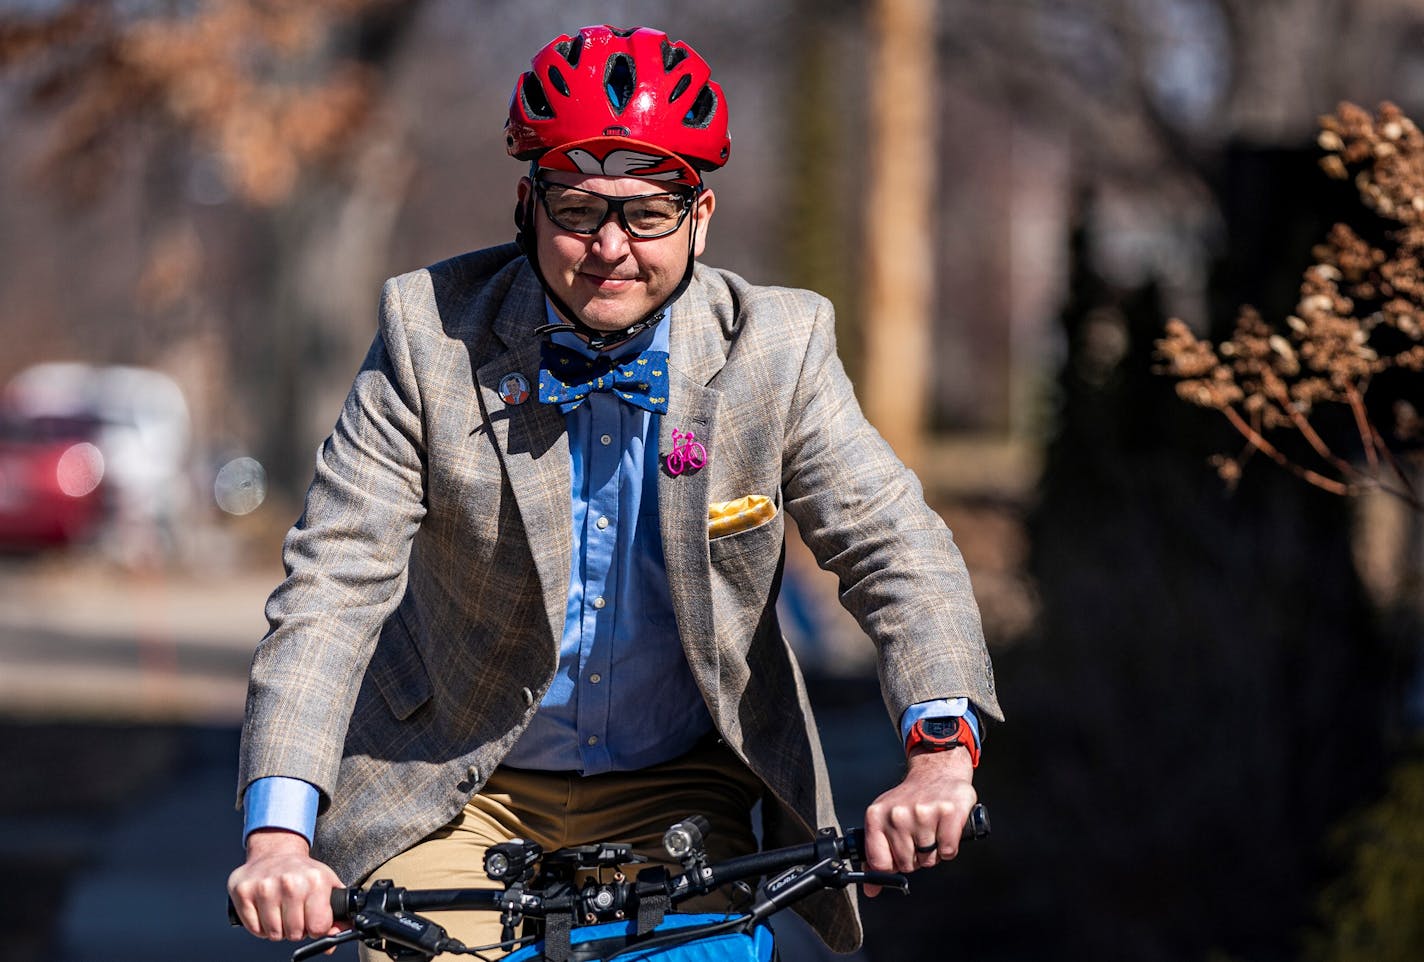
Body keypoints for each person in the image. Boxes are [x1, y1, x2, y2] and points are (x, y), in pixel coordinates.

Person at [227, 23, 1002, 958]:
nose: (609, 247)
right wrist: (280, 834)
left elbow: (895, 548)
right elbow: (333, 584)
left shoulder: (777, 352)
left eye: (645, 213)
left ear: (700, 217)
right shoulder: (428, 339)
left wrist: (939, 756)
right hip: (455, 783)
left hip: (679, 786)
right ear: (527, 206)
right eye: (577, 208)